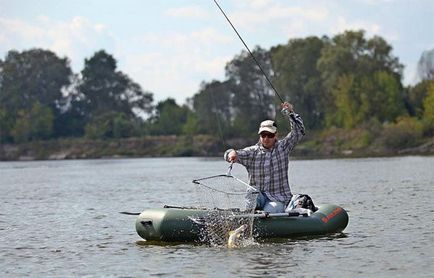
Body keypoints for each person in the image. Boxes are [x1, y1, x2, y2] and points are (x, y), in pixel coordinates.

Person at [223, 102, 305, 213]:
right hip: (259, 198)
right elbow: (230, 153)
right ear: (260, 135)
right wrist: (231, 154)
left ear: (276, 135)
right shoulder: (252, 152)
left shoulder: (283, 147)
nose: (266, 138)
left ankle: (263, 217)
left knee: (272, 209)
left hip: (278, 198)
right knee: (252, 193)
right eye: (263, 135)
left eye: (270, 135)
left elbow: (298, 131)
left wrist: (291, 113)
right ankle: (250, 215)